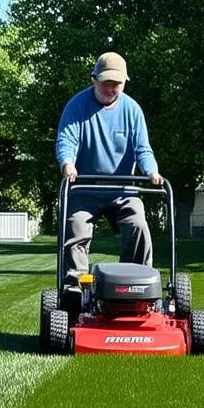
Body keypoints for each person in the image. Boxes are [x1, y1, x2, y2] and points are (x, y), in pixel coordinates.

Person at [55, 51, 162, 306]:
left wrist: (151, 171)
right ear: (94, 79)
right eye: (106, 83)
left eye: (116, 84)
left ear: (124, 83)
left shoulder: (132, 110)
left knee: (138, 223)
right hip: (85, 189)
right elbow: (66, 140)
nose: (110, 88)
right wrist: (68, 164)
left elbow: (142, 149)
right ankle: (76, 287)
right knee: (76, 226)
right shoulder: (77, 106)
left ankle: (136, 283)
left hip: (122, 191)